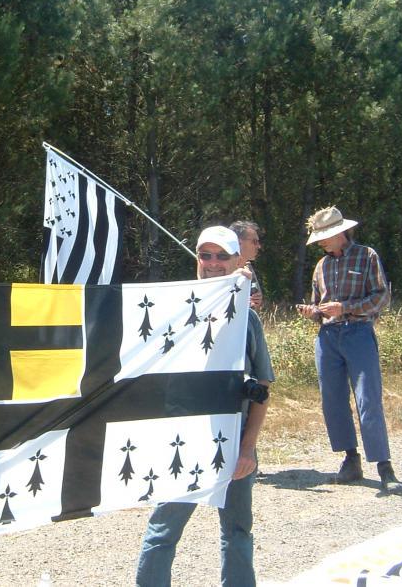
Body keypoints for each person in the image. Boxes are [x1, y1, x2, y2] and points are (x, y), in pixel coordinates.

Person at [136, 225, 275, 587]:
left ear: (236, 261)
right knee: (162, 532)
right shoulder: (173, 311)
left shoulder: (248, 318)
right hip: (181, 442)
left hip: (233, 442)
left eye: (222, 256)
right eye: (205, 255)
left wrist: (247, 449)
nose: (212, 264)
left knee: (237, 532)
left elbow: (262, 385)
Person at [296, 206, 402, 494]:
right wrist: (313, 312)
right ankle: (350, 459)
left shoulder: (367, 256)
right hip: (328, 336)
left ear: (341, 233)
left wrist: (347, 308)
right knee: (333, 400)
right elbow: (320, 306)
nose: (321, 242)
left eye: (325, 236)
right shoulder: (321, 266)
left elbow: (382, 297)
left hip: (358, 332)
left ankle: (384, 465)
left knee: (368, 398)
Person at [229, 221, 263, 310]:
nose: (258, 246)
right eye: (254, 242)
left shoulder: (247, 268)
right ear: (239, 242)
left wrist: (254, 304)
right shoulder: (222, 269)